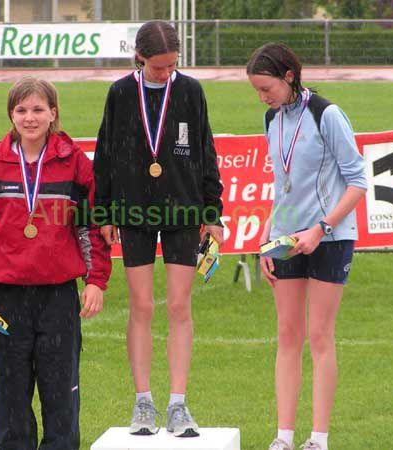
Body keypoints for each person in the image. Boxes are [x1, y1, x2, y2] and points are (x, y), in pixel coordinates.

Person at [0, 77, 111, 450]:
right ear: (11, 115)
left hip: (58, 299)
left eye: (38, 109)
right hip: (5, 299)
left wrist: (96, 280)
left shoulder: (74, 163)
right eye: (21, 110)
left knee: (61, 398)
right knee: (11, 401)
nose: (30, 117)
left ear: (53, 113)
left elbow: (92, 226)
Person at [93, 20, 224, 438]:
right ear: (140, 57)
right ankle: (143, 401)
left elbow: (205, 151)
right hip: (134, 211)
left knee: (179, 306)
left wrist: (212, 211)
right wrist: (105, 213)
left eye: (172, 66)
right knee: (142, 306)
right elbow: (105, 153)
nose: (166, 73)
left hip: (183, 210)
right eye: (158, 67)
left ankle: (178, 404)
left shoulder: (189, 91)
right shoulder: (119, 93)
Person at [246, 43, 367, 450]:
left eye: (267, 88)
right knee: (287, 334)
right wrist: (267, 240)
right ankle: (283, 437)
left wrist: (321, 227)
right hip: (286, 240)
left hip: (330, 237)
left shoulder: (327, 115)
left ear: (289, 77)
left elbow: (357, 182)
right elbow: (282, 187)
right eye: (258, 91)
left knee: (319, 335)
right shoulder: (271, 118)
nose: (263, 97)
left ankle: (318, 439)